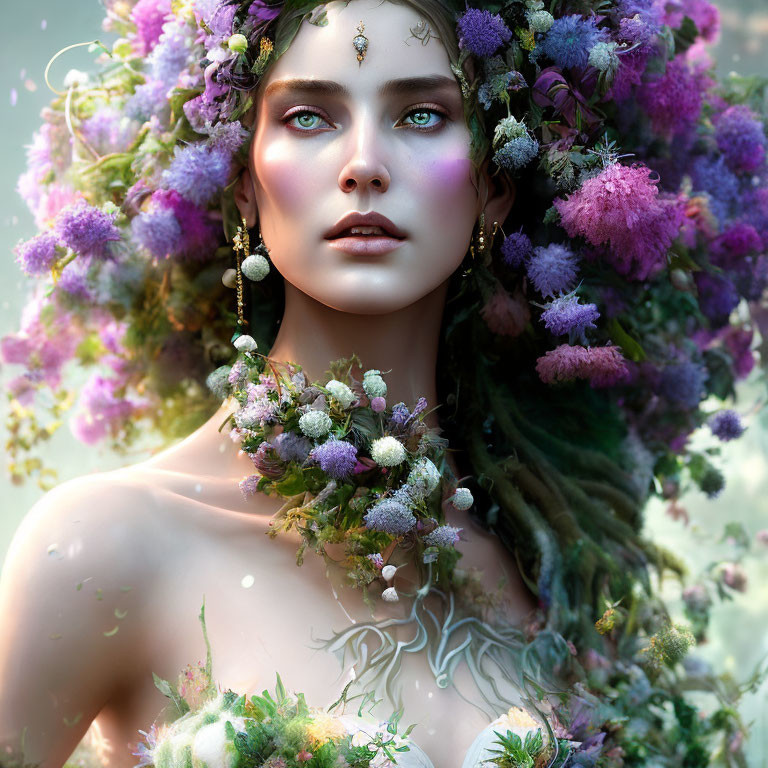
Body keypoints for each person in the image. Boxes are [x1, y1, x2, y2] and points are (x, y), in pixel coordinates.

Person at [1, 0, 765, 765]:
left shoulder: (554, 563)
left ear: (494, 188)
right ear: (242, 183)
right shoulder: (111, 544)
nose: (363, 162)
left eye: (423, 115)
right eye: (307, 116)